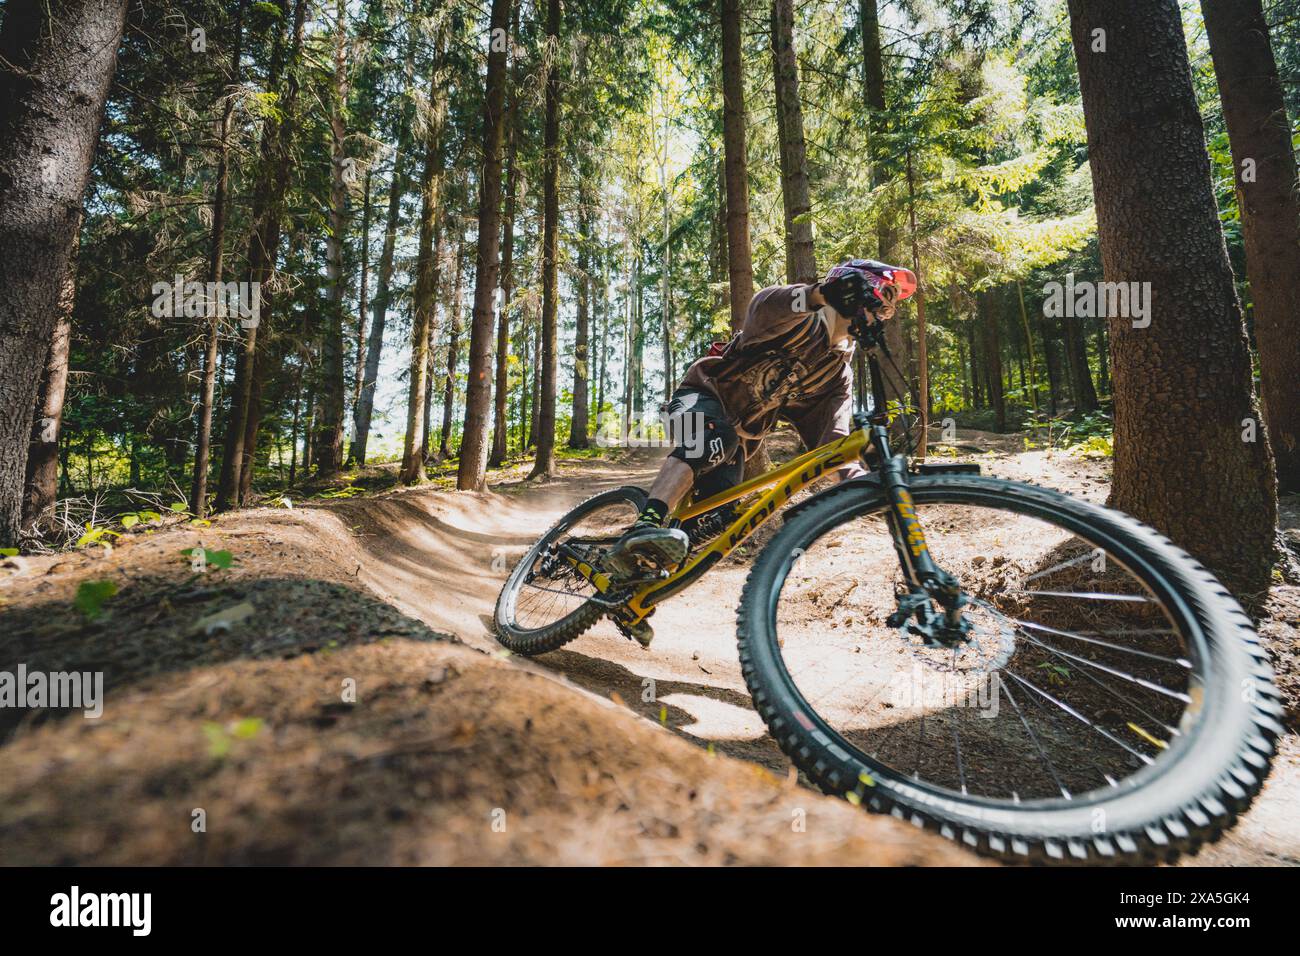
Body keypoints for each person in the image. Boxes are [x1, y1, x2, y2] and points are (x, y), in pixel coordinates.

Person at [605, 258, 916, 590]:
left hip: (737, 442)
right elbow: (765, 305)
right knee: (716, 438)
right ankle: (646, 524)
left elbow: (833, 446)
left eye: (888, 311)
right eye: (881, 300)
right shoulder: (797, 319)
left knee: (719, 517)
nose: (881, 315)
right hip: (701, 396)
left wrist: (872, 487)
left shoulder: (837, 375)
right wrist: (821, 295)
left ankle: (633, 591)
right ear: (854, 288)